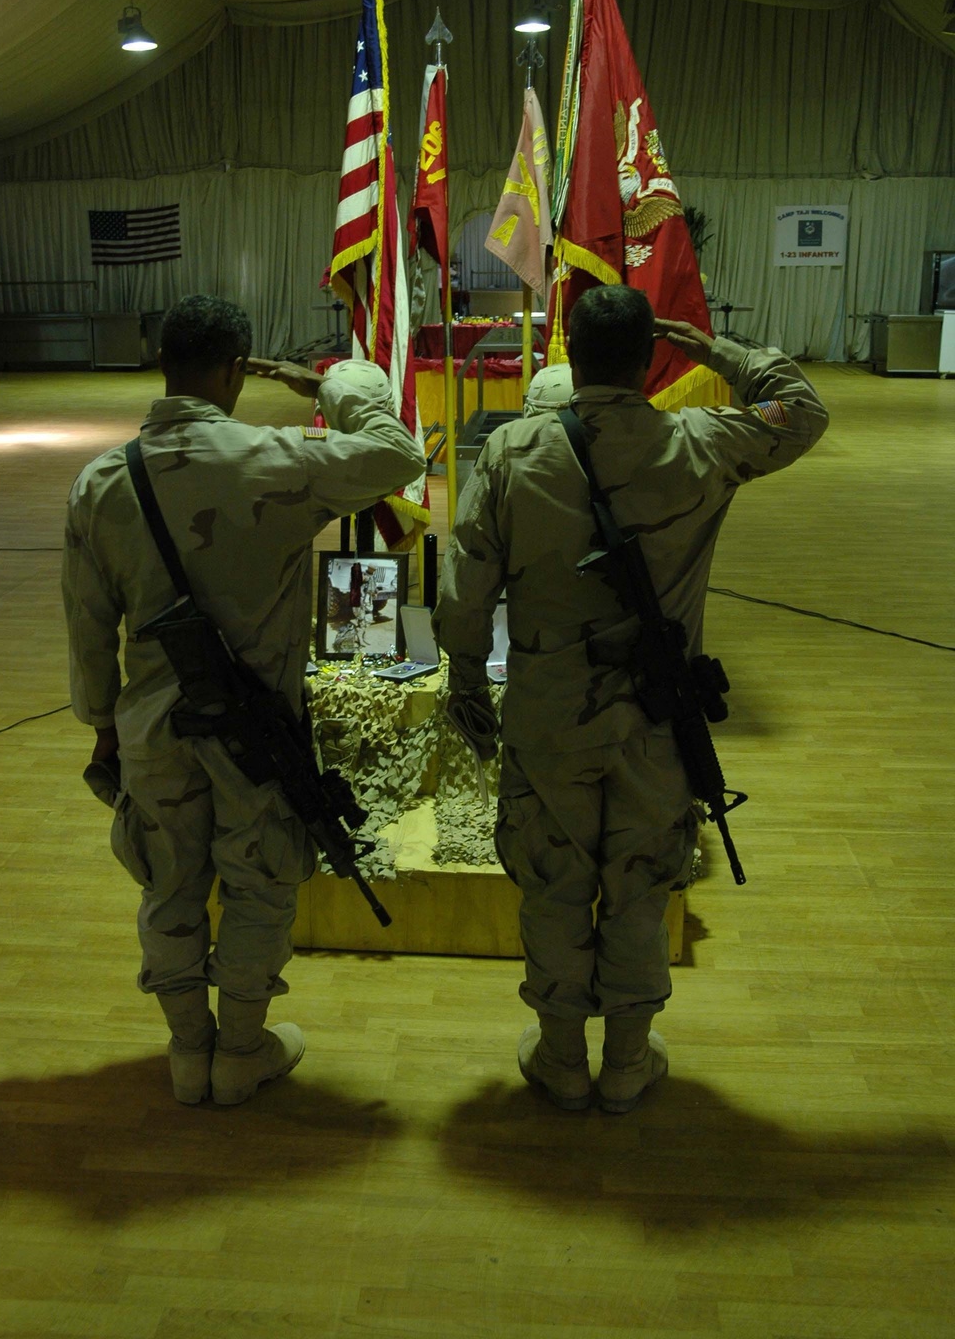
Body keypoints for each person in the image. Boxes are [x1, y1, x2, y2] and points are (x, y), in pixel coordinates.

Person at [433, 285, 829, 1113]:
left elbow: (464, 595)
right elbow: (800, 409)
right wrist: (715, 349)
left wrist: (467, 683)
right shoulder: (702, 442)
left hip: (546, 716)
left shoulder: (512, 452)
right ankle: (626, 1060)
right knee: (642, 881)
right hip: (655, 718)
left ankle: (560, 1057)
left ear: (568, 354)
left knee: (554, 882)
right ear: (653, 358)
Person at [62, 295, 424, 1106]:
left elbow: (88, 632)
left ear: (163, 362)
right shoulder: (279, 460)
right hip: (257, 734)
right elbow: (397, 454)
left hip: (154, 726)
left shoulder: (101, 482)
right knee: (259, 882)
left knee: (168, 882)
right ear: (237, 370)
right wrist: (337, 383)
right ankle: (243, 1050)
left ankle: (189, 1054)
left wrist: (101, 728)